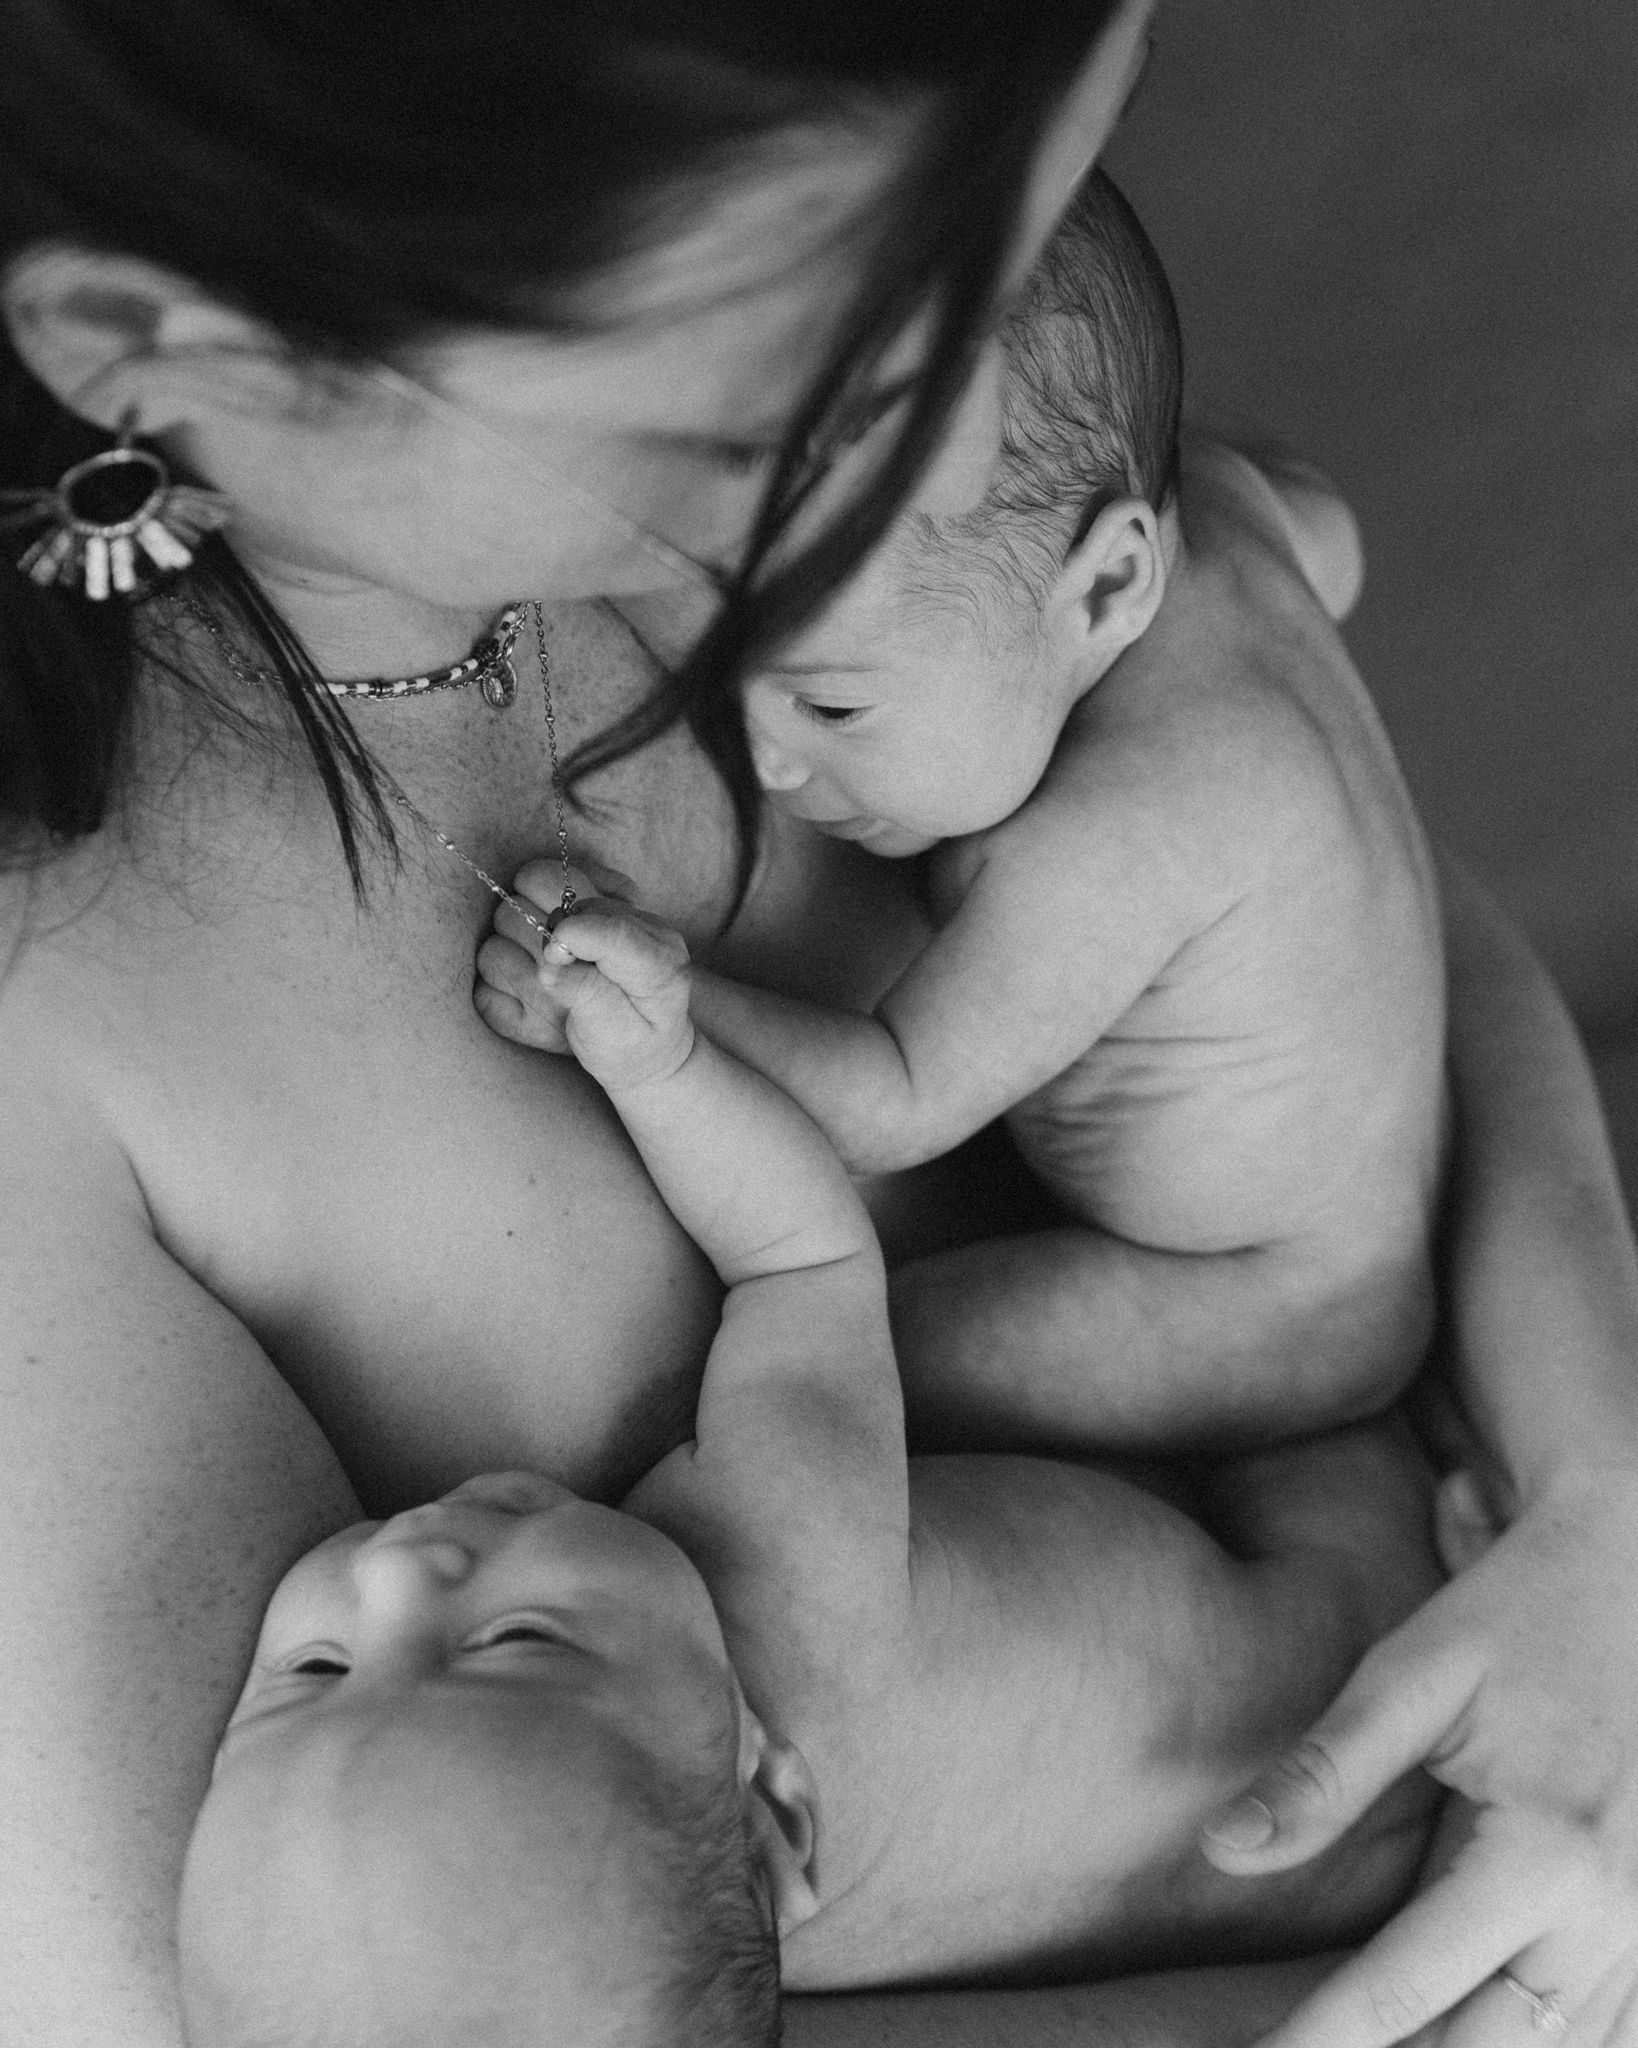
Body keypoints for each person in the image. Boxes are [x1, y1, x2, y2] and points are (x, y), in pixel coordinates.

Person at [0, 2, 1634, 2044]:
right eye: (824, 324)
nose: (970, 408)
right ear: (189, 362)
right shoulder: (51, 1089)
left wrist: (1604, 1510)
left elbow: (1328, 895)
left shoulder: (910, 468)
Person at [178, 888, 1445, 2044]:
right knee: (1314, 1346)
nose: (402, 1570)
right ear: (772, 1800)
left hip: (1301, 1877)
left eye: (317, 1667)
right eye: (515, 1641)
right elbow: (800, 1259)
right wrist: (658, 1060)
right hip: (1349, 1602)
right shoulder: (774, 1562)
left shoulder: (665, 1943)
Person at [487, 171, 1446, 1452]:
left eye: (830, 709)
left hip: (1268, 1295)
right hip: (1367, 1187)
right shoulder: (1223, 505)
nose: (761, 762)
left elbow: (893, 1098)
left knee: (840, 1369)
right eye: (725, 687)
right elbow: (1332, 536)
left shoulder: (1123, 836)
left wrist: (654, 996)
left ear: (1108, 589)